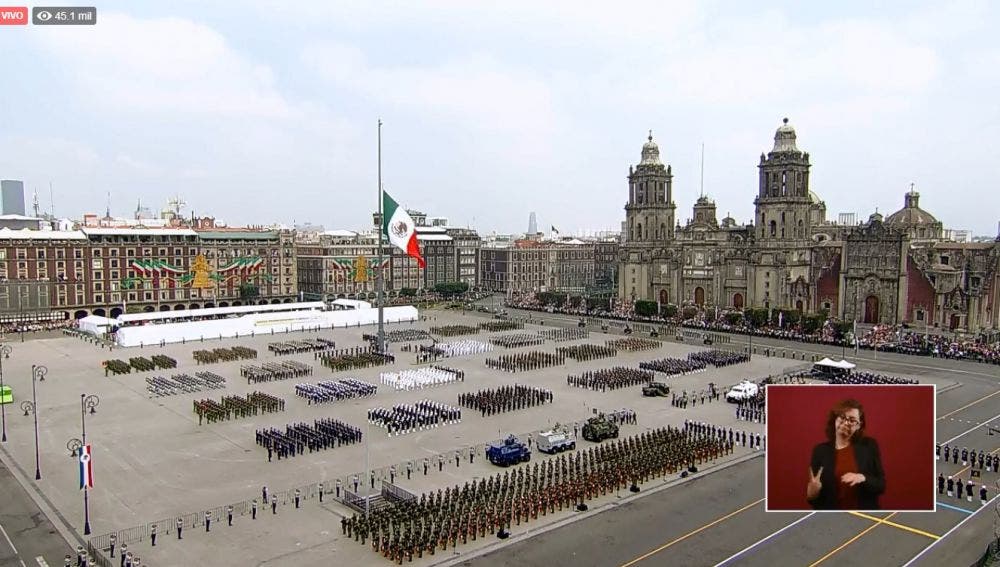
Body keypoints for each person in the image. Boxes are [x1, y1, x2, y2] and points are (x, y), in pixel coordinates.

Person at [806, 399, 885, 510]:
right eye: (842, 417)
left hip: (863, 514)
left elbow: (881, 485)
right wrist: (812, 493)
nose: (846, 423)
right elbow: (813, 500)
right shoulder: (820, 451)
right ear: (835, 419)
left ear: (858, 425)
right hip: (832, 516)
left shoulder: (869, 446)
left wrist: (863, 478)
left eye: (852, 420)